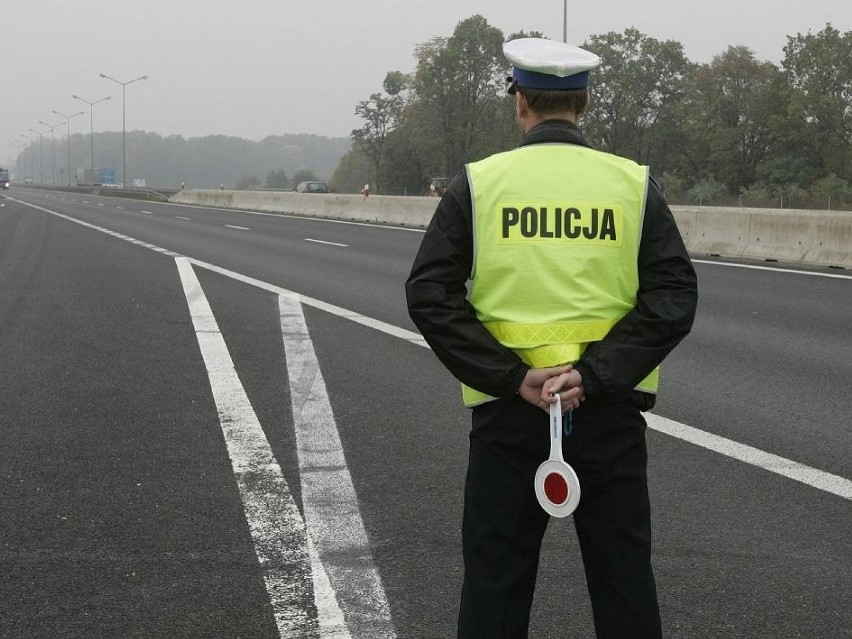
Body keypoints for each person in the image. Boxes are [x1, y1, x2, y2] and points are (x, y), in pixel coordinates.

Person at [405, 37, 698, 638]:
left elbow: (430, 294)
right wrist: (595, 375)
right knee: (623, 584)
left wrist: (512, 378)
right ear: (584, 104)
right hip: (607, 413)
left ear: (520, 104)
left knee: (495, 583)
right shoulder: (632, 186)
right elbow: (673, 297)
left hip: (510, 417)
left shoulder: (479, 185)